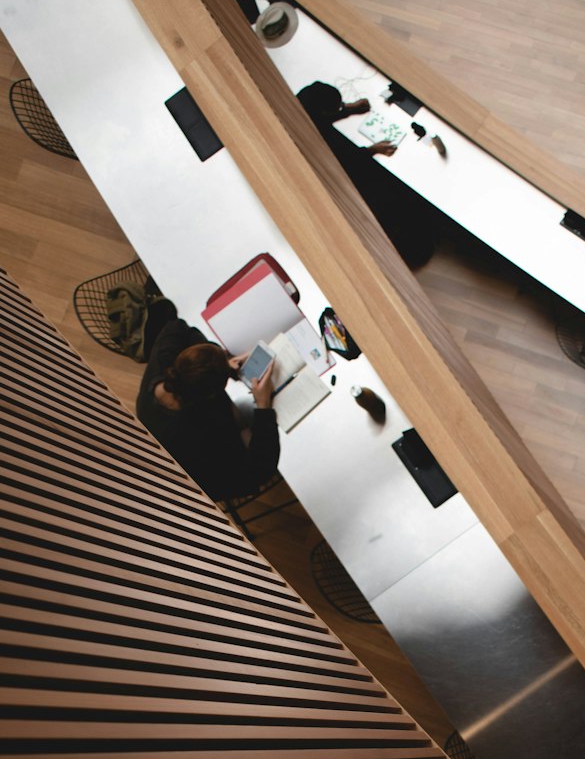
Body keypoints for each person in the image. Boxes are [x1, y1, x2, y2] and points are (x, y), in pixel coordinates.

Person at [136, 305, 280, 503]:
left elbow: (177, 327)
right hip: (217, 477)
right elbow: (260, 471)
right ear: (210, 396)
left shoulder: (165, 364)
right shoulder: (200, 434)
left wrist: (221, 362)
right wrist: (264, 406)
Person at [296, 81, 435, 269]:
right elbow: (346, 162)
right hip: (345, 182)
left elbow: (320, 119)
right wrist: (372, 150)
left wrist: (348, 110)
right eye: (336, 108)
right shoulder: (313, 135)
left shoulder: (300, 105)